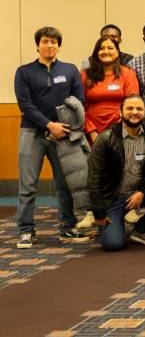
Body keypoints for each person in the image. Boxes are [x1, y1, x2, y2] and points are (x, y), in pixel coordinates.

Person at [15, 27, 88, 248]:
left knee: (65, 184)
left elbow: (79, 98)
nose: (50, 45)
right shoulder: (24, 71)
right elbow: (25, 104)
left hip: (63, 136)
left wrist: (64, 126)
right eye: (46, 41)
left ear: (59, 45)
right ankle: (26, 230)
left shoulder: (69, 69)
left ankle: (67, 227)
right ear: (38, 45)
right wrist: (48, 124)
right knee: (28, 184)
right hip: (32, 133)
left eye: (54, 42)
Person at [88, 95, 145, 251]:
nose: (135, 112)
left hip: (141, 194)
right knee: (113, 244)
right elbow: (94, 178)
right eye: (130, 108)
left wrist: (143, 192)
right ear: (120, 113)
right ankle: (113, 224)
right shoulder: (105, 138)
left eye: (139, 109)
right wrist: (99, 214)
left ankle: (140, 229)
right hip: (114, 197)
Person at [82, 36, 140, 144]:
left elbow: (132, 105)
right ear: (96, 53)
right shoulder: (85, 75)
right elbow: (80, 106)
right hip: (91, 133)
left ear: (117, 52)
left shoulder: (128, 74)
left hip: (121, 131)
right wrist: (91, 132)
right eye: (101, 48)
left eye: (110, 48)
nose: (105, 51)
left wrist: (117, 131)